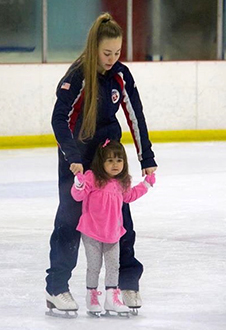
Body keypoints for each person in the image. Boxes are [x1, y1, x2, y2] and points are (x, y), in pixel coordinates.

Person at [45, 12, 157, 314]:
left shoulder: (120, 75)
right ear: (95, 48)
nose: (112, 58)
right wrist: (72, 157)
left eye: (117, 52)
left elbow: (135, 115)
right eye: (107, 53)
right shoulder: (78, 75)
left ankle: (127, 281)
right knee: (69, 220)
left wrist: (146, 156)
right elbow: (59, 119)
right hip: (78, 159)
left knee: (120, 218)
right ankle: (57, 287)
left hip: (109, 157)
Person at [71, 140, 155, 315]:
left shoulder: (122, 182)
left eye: (119, 160)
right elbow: (78, 196)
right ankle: (92, 295)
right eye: (109, 160)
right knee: (94, 266)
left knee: (113, 266)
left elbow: (129, 196)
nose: (115, 164)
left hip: (113, 232)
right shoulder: (92, 177)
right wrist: (78, 183)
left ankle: (111, 298)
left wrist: (146, 184)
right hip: (92, 231)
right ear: (101, 162)